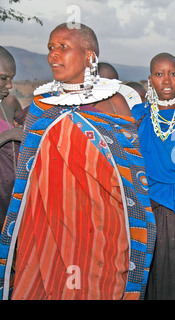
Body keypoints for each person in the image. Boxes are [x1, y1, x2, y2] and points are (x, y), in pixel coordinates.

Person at [0, 22, 156, 300]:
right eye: (50, 47)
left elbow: (130, 171)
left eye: (63, 47)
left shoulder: (112, 102)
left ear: (90, 57)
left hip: (100, 228)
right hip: (46, 227)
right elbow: (29, 169)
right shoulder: (42, 105)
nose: (53, 55)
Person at [131, 52, 175, 299]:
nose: (167, 80)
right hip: (148, 205)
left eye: (172, 74)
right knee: (152, 269)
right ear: (151, 80)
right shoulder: (137, 115)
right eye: (160, 74)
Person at [0, 47, 24, 230]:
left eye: (11, 79)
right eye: (3, 78)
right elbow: (13, 134)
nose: (9, 85)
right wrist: (9, 135)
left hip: (13, 193)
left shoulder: (10, 103)